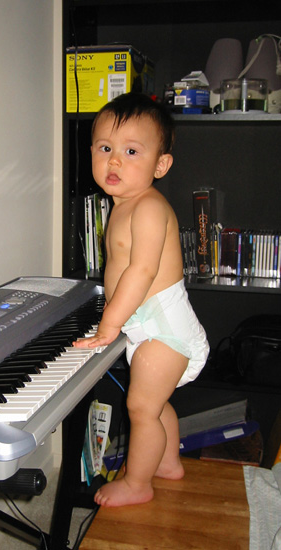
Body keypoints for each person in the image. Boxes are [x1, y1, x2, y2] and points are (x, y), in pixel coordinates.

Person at [73, 92, 209, 508]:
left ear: (160, 165)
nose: (115, 161)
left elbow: (141, 271)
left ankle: (137, 483)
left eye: (131, 151)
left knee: (141, 408)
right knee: (154, 402)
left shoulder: (149, 207)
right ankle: (167, 463)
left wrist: (110, 324)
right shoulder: (121, 206)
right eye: (105, 148)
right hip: (146, 325)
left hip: (164, 328)